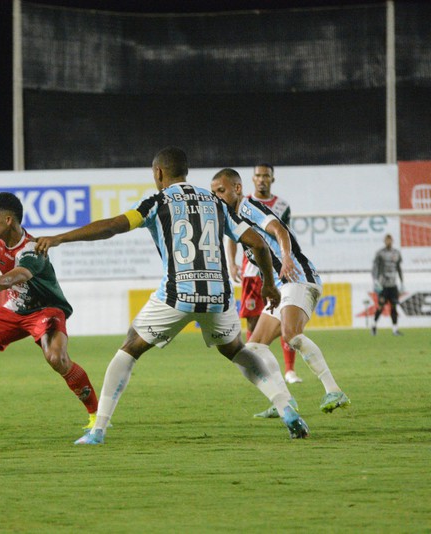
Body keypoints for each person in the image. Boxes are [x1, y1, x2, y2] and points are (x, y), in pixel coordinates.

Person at [36, 147, 308, 445]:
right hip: (218, 296)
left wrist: (60, 238)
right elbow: (257, 243)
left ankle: (98, 429)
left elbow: (113, 226)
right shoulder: (215, 202)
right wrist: (269, 284)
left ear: (158, 173)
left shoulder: (157, 201)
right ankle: (286, 408)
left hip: (177, 295)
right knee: (236, 351)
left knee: (129, 348)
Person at [0, 192, 99, 431]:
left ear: (8, 221)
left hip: (46, 309)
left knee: (57, 358)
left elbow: (12, 278)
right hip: (16, 310)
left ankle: (97, 415)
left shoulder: (32, 249)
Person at [210, 168, 350, 419]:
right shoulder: (232, 219)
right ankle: (284, 401)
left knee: (291, 334)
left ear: (237, 188)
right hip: (280, 285)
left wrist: (286, 257)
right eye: (214, 193)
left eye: (221, 190)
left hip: (297, 277)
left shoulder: (248, 207)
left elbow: (279, 229)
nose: (217, 196)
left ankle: (334, 390)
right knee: (254, 346)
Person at [225, 164, 301, 384]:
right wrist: (232, 263)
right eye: (258, 176)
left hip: (278, 271)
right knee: (252, 324)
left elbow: (285, 234)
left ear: (272, 179)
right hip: (251, 272)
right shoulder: (243, 204)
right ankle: (258, 368)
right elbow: (231, 236)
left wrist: (289, 259)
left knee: (286, 318)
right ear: (252, 178)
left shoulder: (282, 206)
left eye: (265, 176)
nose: (261, 179)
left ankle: (289, 370)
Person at [371, 234, 403, 336]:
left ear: (392, 241)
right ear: (384, 241)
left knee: (394, 307)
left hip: (393, 285)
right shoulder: (380, 253)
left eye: (390, 240)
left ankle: (395, 330)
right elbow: (375, 268)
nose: (388, 242)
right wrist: (375, 280)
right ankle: (374, 325)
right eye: (386, 240)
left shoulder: (396, 253)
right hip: (383, 285)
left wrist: (402, 282)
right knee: (380, 306)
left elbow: (399, 268)